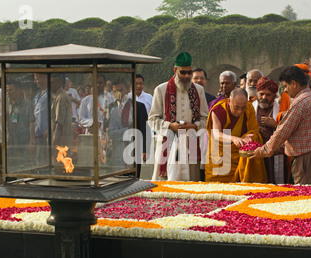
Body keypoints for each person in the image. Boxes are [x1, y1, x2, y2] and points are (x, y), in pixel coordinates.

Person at [251, 66, 311, 185]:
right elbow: (302, 132)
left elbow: (283, 131)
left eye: (286, 86)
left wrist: (263, 151)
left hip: (306, 159)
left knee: (305, 197)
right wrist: (279, 148)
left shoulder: (300, 102)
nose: (286, 90)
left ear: (294, 83)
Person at [148, 51, 208, 181]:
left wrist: (193, 125)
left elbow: (205, 119)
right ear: (175, 70)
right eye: (183, 72)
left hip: (190, 142)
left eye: (189, 72)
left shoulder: (199, 90)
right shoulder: (161, 89)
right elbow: (152, 119)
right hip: (167, 142)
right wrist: (170, 126)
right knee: (164, 186)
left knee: (191, 185)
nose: (187, 76)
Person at [205, 88, 267, 183]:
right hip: (220, 155)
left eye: (243, 108)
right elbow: (216, 134)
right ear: (229, 101)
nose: (240, 111)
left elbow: (254, 130)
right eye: (236, 107)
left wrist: (249, 137)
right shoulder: (218, 110)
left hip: (239, 154)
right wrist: (233, 139)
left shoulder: (249, 108)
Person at [108, 80, 149, 177]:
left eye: (121, 90)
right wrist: (127, 130)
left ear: (127, 90)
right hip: (118, 151)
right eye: (115, 91)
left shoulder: (138, 107)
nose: (119, 93)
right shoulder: (111, 108)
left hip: (135, 150)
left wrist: (145, 150)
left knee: (133, 180)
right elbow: (110, 132)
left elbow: (145, 130)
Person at [252, 77, 284, 184]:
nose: (264, 97)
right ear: (257, 94)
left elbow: (287, 130)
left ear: (274, 96)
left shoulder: (280, 110)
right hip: (256, 150)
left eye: (268, 95)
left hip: (274, 152)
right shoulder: (251, 109)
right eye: (261, 94)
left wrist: (274, 125)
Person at [6, 80, 35, 168]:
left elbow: (31, 123)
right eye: (7, 90)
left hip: (24, 141)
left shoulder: (27, 105)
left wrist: (32, 142)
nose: (8, 93)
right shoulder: (8, 105)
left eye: (10, 90)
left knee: (26, 166)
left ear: (18, 90)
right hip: (12, 141)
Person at [50, 74, 73, 149]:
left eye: (52, 83)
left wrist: (54, 142)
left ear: (60, 83)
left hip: (61, 143)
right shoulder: (57, 96)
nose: (50, 85)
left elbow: (59, 123)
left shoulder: (61, 98)